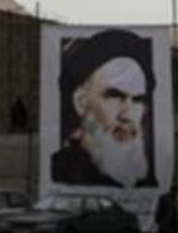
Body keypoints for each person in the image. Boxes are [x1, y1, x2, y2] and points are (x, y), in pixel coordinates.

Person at [51, 29, 158, 187]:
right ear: (81, 102)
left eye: (137, 100)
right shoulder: (63, 172)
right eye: (115, 96)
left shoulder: (146, 179)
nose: (127, 115)